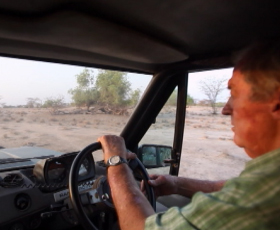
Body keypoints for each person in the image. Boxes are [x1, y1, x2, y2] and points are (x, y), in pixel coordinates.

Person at [98, 41, 280, 230]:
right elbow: (237, 189)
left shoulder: (265, 194)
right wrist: (177, 184)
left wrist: (115, 162)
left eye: (234, 92)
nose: (225, 110)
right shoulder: (265, 181)